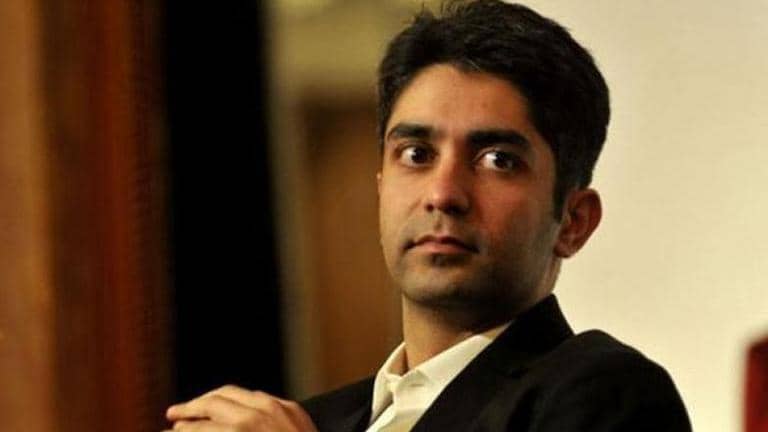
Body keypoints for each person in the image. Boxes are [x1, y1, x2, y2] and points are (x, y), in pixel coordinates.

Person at [164, 1, 692, 430]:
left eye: (497, 160)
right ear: (381, 188)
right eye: (416, 154)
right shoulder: (315, 420)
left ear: (574, 221)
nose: (443, 193)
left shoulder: (606, 395)